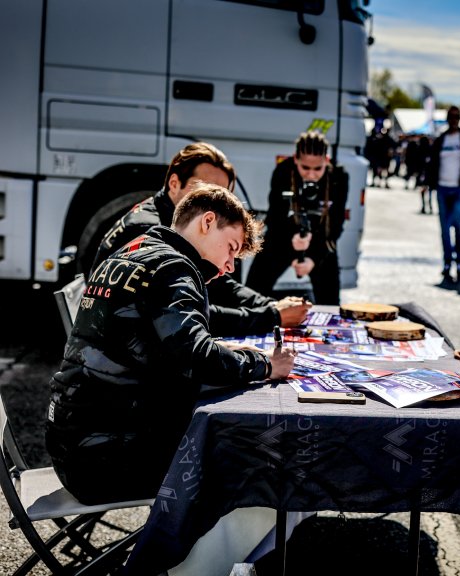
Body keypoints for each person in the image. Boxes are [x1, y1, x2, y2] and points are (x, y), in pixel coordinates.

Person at [46, 182, 297, 505]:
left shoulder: (135, 249)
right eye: (231, 248)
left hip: (71, 445)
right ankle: (200, 557)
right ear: (207, 222)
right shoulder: (174, 268)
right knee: (252, 458)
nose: (229, 266)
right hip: (105, 461)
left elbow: (168, 345)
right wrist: (265, 365)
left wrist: (221, 350)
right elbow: (196, 358)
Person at [92, 142, 311, 337]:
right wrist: (272, 316)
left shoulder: (169, 219)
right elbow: (193, 315)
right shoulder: (150, 230)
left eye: (221, 194)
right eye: (205, 189)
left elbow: (221, 285)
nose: (214, 202)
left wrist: (271, 306)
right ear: (174, 183)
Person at [245, 131, 348, 305]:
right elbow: (275, 216)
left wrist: (314, 258)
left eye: (318, 168)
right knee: (253, 289)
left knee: (329, 301)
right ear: (295, 159)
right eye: (305, 168)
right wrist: (291, 242)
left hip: (321, 239)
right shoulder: (283, 171)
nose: (311, 174)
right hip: (284, 235)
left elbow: (336, 224)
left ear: (327, 161)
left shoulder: (338, 177)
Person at [425, 105, 460, 286]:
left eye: (457, 116)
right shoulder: (441, 140)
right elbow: (432, 163)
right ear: (447, 118)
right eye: (451, 116)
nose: (454, 119)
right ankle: (447, 265)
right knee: (445, 230)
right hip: (442, 188)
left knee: (459, 226)